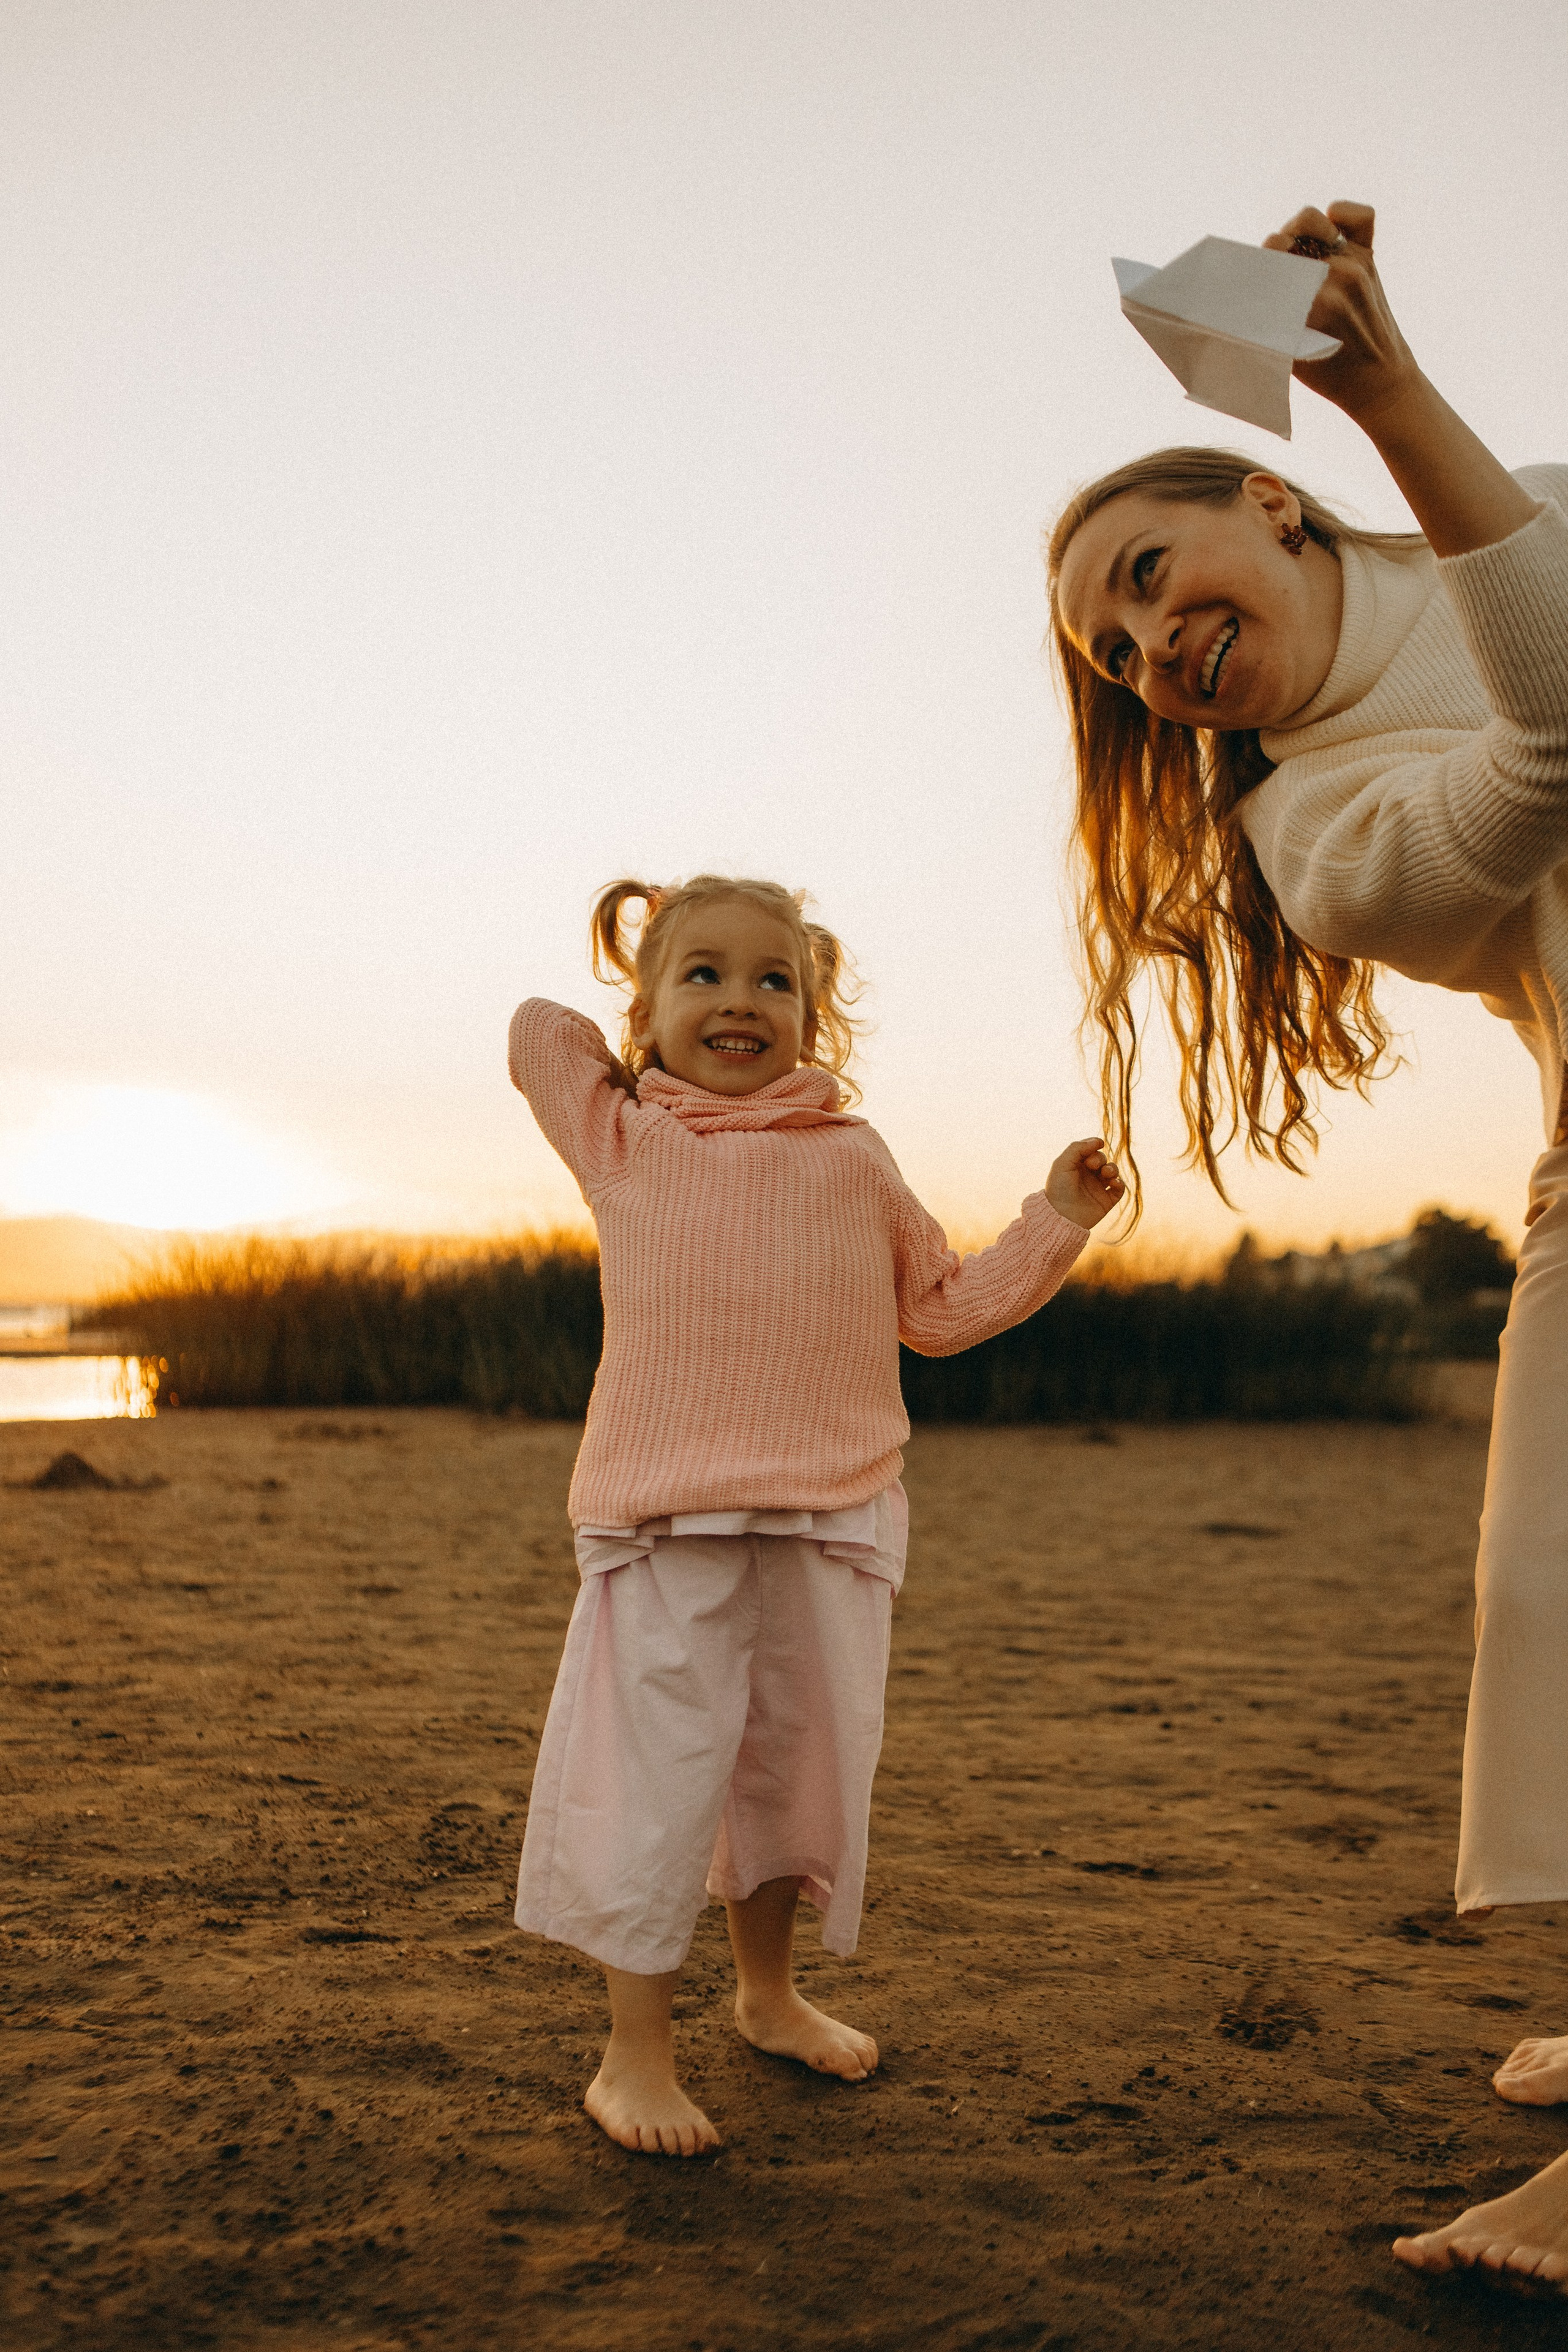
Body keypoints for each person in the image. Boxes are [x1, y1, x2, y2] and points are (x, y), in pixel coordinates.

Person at [1048, 196, 1568, 2294]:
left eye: (1151, 575)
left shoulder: (1515, 510)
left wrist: (1398, 403)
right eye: (1112, 646)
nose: (1148, 640)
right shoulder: (1303, 828)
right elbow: (1547, 751)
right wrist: (1392, 394)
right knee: (1555, 1600)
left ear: (1269, 497)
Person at [509, 872, 1123, 2155]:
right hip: (666, 1524)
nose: (741, 1001)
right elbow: (534, 1030)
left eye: (775, 981)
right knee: (657, 1786)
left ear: (815, 1015)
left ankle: (768, 1994)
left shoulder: (853, 1155)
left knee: (795, 1775)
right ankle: (631, 2058)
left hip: (832, 1517)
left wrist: (1055, 1219)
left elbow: (941, 1310)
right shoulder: (625, 1137)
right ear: (648, 1008)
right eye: (706, 976)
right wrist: (648, 932)